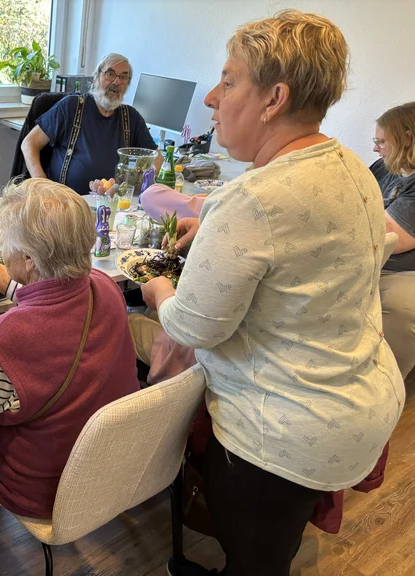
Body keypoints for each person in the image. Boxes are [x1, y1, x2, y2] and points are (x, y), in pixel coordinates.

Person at [135, 11, 405, 576]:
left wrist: (158, 290)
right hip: (357, 399)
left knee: (255, 556)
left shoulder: (253, 199)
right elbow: (305, 251)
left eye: (228, 81)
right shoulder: (352, 166)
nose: (211, 97)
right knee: (272, 542)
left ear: (274, 98)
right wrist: (215, 228)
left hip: (282, 433)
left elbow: (193, 326)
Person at [0, 178, 140, 517]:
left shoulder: (11, 336)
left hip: (42, 488)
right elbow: (33, 291)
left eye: (4, 241)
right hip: (106, 465)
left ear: (29, 258)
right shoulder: (103, 286)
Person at [21, 53, 161, 195]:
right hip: (66, 201)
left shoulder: (131, 117)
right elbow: (29, 143)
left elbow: (157, 158)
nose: (117, 82)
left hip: (112, 202)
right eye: (110, 74)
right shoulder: (71, 107)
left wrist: (138, 184)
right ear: (96, 78)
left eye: (124, 77)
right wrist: (42, 185)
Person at [370, 102, 415, 379]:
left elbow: (389, 238)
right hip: (372, 258)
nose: (376, 149)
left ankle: (385, 382)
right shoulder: (384, 167)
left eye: (381, 142)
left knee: (400, 307)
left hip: (403, 270)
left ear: (406, 139)